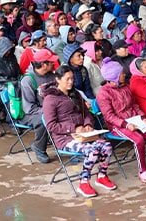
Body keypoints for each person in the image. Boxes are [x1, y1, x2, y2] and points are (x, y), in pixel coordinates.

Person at [96, 58, 146, 183]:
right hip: (118, 125)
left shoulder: (126, 87)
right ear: (114, 77)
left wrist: (143, 117)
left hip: (135, 119)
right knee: (138, 139)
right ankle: (143, 171)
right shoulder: (103, 93)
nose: (124, 74)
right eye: (121, 73)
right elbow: (109, 116)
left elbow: (135, 105)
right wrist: (126, 124)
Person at [42, 65, 117, 198]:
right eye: (67, 79)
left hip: (83, 135)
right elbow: (51, 125)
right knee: (92, 150)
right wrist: (73, 128)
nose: (71, 82)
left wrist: (88, 124)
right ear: (58, 80)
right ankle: (84, 182)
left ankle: (102, 175)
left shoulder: (75, 94)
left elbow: (86, 113)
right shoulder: (50, 99)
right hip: (65, 139)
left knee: (106, 146)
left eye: (72, 78)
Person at [19, 49, 57, 163]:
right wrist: (48, 111)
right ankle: (39, 147)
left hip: (50, 108)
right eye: (50, 62)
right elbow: (29, 108)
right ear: (43, 64)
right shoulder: (28, 80)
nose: (54, 64)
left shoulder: (53, 76)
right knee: (44, 120)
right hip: (31, 113)